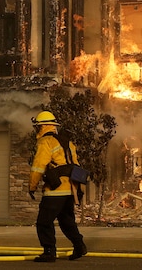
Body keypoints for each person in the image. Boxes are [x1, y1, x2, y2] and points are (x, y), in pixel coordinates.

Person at [28, 110, 87, 262]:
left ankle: (49, 251)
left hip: (55, 190)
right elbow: (76, 164)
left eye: (38, 126)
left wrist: (32, 186)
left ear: (43, 126)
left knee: (44, 221)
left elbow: (38, 166)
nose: (37, 129)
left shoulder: (45, 142)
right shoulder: (68, 142)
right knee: (67, 221)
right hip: (70, 189)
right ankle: (79, 245)